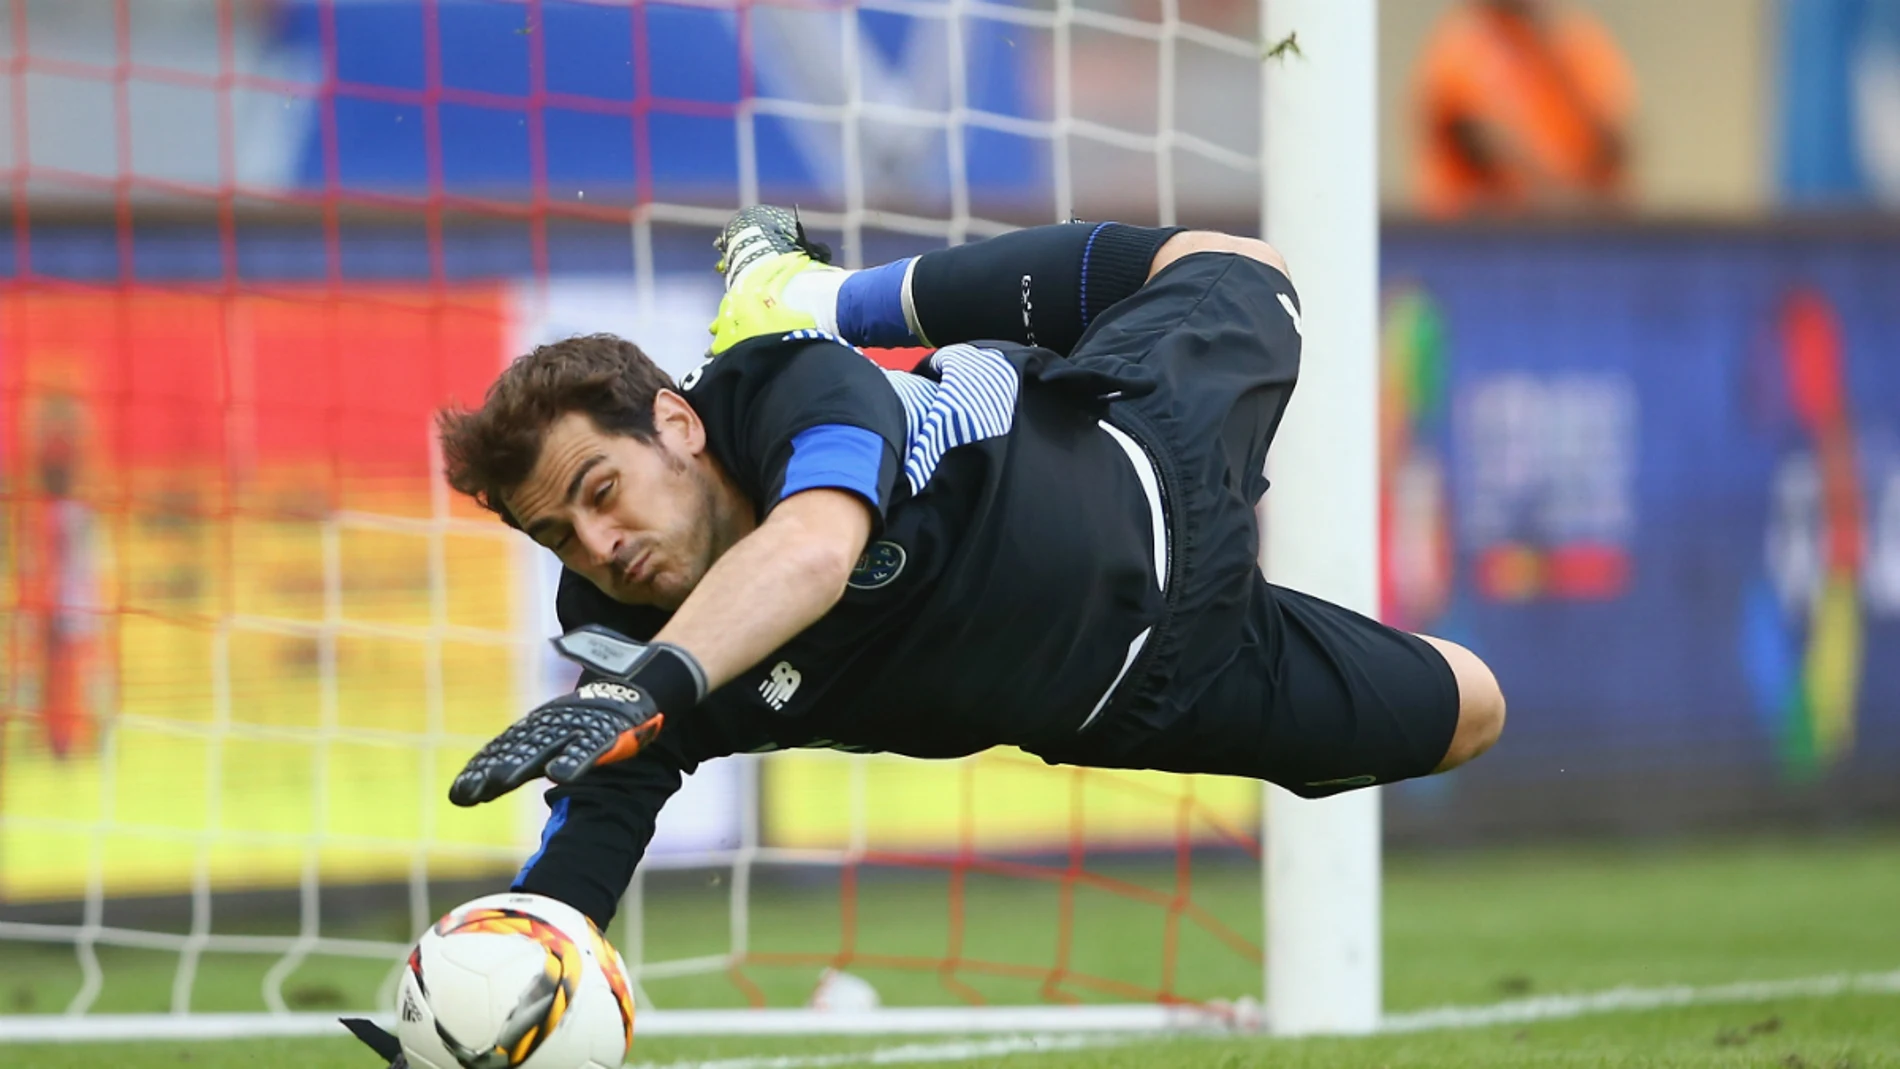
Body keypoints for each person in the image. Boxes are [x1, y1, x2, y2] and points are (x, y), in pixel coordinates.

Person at [436, 207, 1507, 929]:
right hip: (1154, 690)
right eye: (557, 536)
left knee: (1235, 267)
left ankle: (829, 291)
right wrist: (517, 961)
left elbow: (812, 548)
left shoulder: (780, 388)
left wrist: (649, 682)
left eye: (600, 490)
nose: (597, 545)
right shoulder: (625, 652)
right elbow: (589, 841)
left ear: (676, 422)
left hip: (1146, 451)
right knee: (1469, 709)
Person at [1414, 0, 1635, 218]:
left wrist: (1553, 53)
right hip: (1484, 232)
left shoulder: (1574, 41)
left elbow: (1616, 146)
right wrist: (1561, 198)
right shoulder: (1464, 44)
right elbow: (1479, 142)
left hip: (1581, 226)